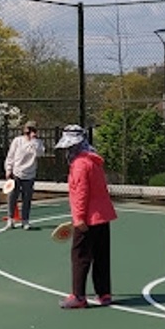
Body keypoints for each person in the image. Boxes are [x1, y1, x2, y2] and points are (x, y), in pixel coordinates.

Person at [54, 124, 117, 308]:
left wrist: (79, 218)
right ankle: (104, 293)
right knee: (101, 256)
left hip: (88, 219)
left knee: (80, 256)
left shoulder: (80, 164)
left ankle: (79, 296)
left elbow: (81, 193)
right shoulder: (93, 161)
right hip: (102, 216)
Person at [3, 120, 44, 230]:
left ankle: (25, 220)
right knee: (12, 197)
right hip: (16, 173)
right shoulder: (17, 141)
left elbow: (40, 153)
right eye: (28, 129)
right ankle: (10, 219)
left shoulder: (38, 143)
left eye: (32, 130)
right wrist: (8, 169)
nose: (29, 132)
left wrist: (34, 141)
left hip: (29, 175)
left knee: (27, 198)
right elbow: (10, 156)